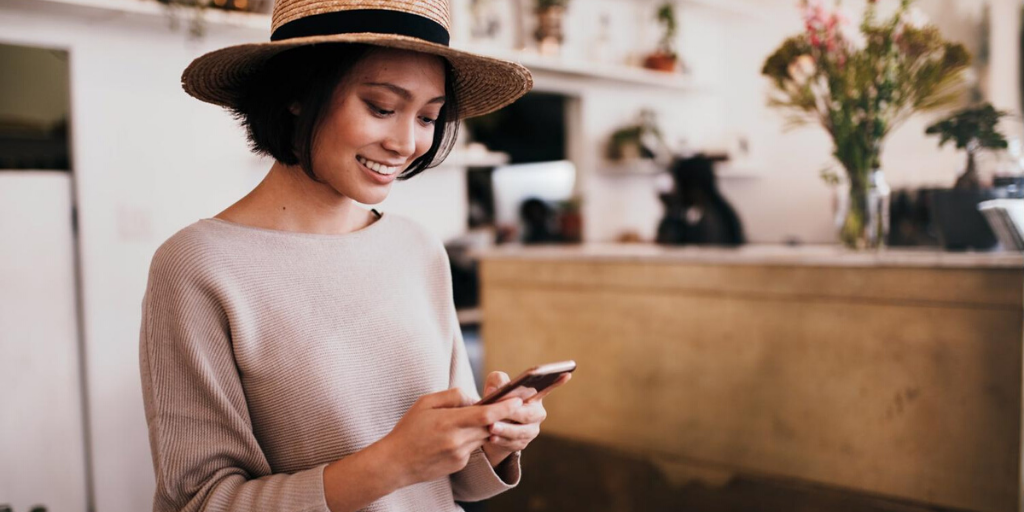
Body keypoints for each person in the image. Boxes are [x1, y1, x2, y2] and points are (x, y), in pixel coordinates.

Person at [138, 1, 571, 511]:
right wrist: (393, 463)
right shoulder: (199, 266)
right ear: (298, 93)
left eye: (429, 116)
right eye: (382, 108)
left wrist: (491, 441)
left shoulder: (418, 249)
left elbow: (448, 483)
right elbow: (200, 502)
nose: (407, 143)